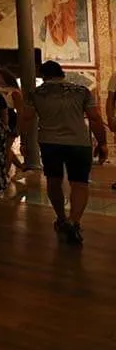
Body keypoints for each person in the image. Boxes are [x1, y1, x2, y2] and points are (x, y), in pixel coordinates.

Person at [23, 61, 108, 245]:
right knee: (79, 184)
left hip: (49, 142)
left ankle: (61, 218)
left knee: (54, 181)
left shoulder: (36, 94)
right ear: (61, 73)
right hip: (78, 143)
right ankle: (74, 222)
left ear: (43, 75)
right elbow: (94, 118)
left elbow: (26, 118)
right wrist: (102, 143)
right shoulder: (82, 91)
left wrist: (23, 142)